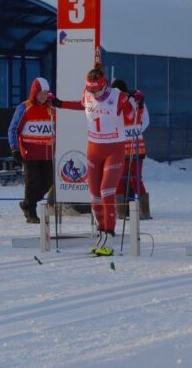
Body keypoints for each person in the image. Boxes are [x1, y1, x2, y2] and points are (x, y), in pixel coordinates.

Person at [55, 62, 135, 256]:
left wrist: (133, 103)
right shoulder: (87, 93)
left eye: (97, 91)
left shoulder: (117, 96)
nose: (94, 95)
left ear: (104, 85)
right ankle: (101, 233)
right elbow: (80, 105)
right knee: (94, 195)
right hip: (94, 148)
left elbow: (131, 118)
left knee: (107, 192)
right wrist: (60, 103)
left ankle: (110, 235)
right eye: (91, 91)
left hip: (114, 149)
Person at [7, 78, 57, 224]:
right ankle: (31, 211)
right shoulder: (24, 107)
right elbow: (13, 129)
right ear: (34, 92)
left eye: (46, 93)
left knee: (48, 182)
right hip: (30, 153)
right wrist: (14, 148)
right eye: (41, 93)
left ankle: (27, 202)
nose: (43, 96)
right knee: (32, 182)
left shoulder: (51, 107)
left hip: (47, 153)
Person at [113, 79, 150, 220]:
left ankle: (121, 212)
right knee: (136, 180)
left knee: (120, 179)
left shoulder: (116, 104)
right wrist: (136, 131)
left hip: (122, 148)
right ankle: (144, 211)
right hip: (136, 148)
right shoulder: (137, 101)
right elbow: (144, 121)